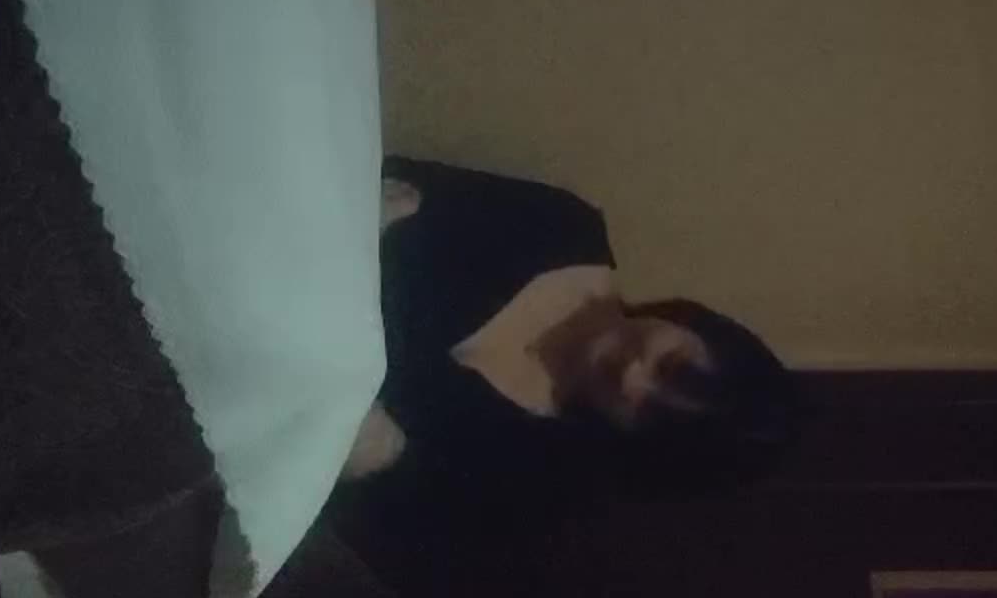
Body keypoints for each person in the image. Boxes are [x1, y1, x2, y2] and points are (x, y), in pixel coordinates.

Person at [341, 155, 799, 521]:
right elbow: (367, 169)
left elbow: (363, 493)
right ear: (695, 325)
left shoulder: (526, 465)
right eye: (669, 365)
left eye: (646, 413)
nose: (632, 378)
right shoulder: (562, 225)